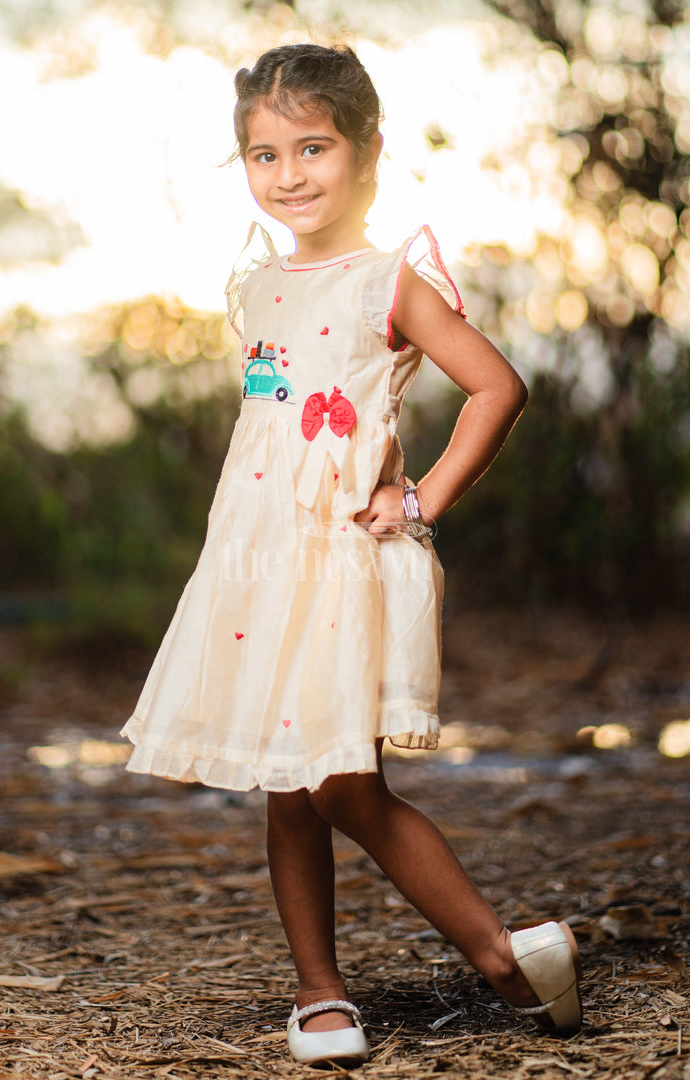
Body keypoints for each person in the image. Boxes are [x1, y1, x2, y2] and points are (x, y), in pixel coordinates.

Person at [121, 42, 582, 1068]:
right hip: (258, 558)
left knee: (339, 783)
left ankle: (500, 956)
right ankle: (320, 991)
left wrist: (421, 498)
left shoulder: (392, 278)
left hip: (339, 557)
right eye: (263, 153)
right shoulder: (258, 286)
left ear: (367, 151)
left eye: (313, 147)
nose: (288, 174)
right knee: (291, 782)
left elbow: (496, 387)